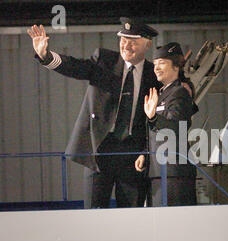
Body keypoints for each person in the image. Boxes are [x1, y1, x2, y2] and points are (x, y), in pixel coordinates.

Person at [27, 18, 161, 208]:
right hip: (99, 147)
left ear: (147, 44)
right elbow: (75, 67)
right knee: (94, 211)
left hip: (132, 152)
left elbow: (173, 90)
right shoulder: (104, 60)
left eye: (133, 41)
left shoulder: (153, 74)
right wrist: (46, 56)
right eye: (123, 40)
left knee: (132, 213)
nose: (126, 46)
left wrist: (145, 151)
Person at [135, 42, 198, 206]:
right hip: (158, 171)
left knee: (176, 225)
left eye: (162, 63)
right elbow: (155, 133)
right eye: (155, 64)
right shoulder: (162, 93)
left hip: (174, 173)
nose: (156, 68)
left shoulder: (180, 93)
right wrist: (145, 153)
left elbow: (176, 128)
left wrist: (153, 117)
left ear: (176, 67)